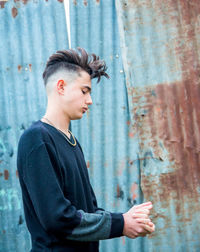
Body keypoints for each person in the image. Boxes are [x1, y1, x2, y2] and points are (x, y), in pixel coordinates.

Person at [17, 48, 155, 252]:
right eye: (84, 91)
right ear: (61, 87)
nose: (89, 100)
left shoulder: (71, 140)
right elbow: (57, 218)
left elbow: (87, 211)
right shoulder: (37, 139)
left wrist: (129, 220)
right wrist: (121, 223)